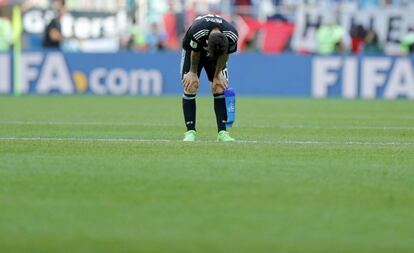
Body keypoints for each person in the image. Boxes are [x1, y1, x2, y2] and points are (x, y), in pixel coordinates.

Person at [180, 14, 238, 142]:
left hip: (218, 52)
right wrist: (192, 73)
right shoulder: (198, 31)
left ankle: (222, 133)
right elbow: (195, 52)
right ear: (207, 43)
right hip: (192, 50)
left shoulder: (232, 35)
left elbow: (225, 55)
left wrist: (217, 75)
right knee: (191, 85)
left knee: (219, 87)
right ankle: (190, 132)